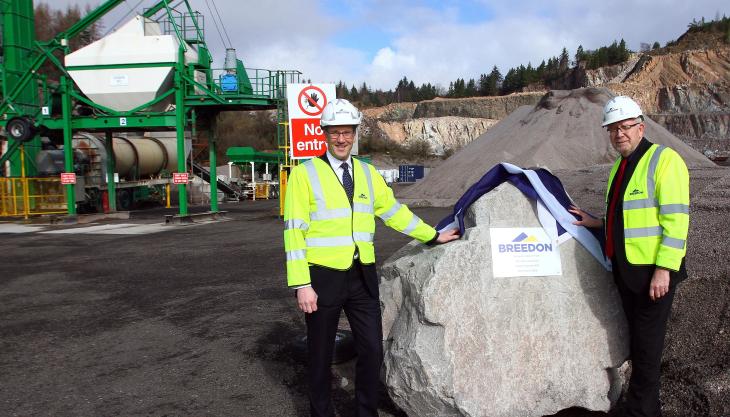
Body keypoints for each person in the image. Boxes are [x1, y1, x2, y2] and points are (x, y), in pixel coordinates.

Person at [283, 98, 459, 417]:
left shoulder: (367, 173)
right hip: (321, 277)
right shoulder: (304, 174)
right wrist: (301, 284)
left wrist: (431, 235)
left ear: (354, 134)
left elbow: (392, 212)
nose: (341, 139)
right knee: (320, 356)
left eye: (347, 132)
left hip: (362, 275)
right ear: (324, 133)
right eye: (334, 132)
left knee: (372, 350)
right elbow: (293, 231)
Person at [569, 96, 689, 417]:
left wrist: (664, 269)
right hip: (628, 274)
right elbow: (626, 218)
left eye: (625, 127)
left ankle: (640, 410)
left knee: (647, 349)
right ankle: (649, 405)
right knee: (639, 344)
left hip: (653, 275)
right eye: (613, 129)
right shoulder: (619, 168)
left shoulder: (664, 160)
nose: (619, 134)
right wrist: (595, 221)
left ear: (640, 127)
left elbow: (676, 220)